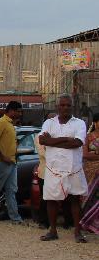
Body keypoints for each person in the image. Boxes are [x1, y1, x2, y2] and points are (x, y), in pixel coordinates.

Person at [39, 95, 88, 243]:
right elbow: (42, 140)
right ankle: (52, 230)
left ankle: (77, 232)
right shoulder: (49, 123)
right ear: (57, 107)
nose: (65, 107)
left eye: (68, 105)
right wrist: (66, 139)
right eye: (63, 105)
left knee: (75, 199)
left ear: (72, 107)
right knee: (51, 200)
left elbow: (78, 143)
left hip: (74, 168)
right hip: (53, 168)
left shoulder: (79, 123)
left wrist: (52, 141)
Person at [0, 101, 24, 223]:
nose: (20, 113)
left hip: (11, 162)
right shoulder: (1, 122)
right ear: (11, 111)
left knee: (11, 190)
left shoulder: (11, 124)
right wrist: (3, 157)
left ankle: (15, 218)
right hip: (1, 162)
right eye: (18, 111)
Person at [80, 113, 99, 234]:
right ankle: (88, 223)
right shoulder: (88, 137)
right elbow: (85, 154)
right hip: (90, 171)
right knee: (89, 197)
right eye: (98, 121)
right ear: (94, 123)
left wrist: (95, 154)